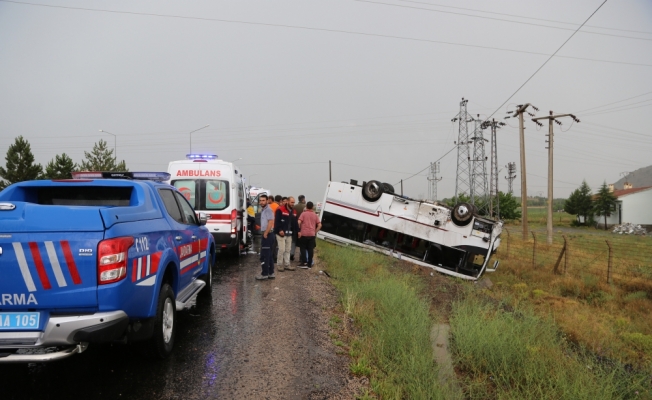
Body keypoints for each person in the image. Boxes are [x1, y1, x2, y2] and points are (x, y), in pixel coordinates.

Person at [275, 196, 298, 271]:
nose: (293, 204)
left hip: (289, 234)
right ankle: (279, 265)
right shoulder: (280, 210)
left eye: (294, 202)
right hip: (281, 233)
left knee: (288, 249)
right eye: (291, 202)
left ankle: (287, 265)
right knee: (281, 249)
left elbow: (295, 223)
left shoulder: (294, 211)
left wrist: (298, 231)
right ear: (287, 201)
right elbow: (277, 221)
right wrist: (279, 230)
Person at [256, 194, 275, 280]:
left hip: (268, 234)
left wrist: (266, 233)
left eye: (263, 200)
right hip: (267, 233)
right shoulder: (263, 210)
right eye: (260, 200)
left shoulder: (268, 210)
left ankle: (264, 274)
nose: (261, 202)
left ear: (267, 201)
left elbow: (270, 222)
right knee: (269, 254)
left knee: (264, 255)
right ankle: (271, 273)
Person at [298, 201, 321, 269]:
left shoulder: (303, 214)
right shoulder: (315, 215)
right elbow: (319, 225)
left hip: (304, 234)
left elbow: (299, 221)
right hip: (312, 234)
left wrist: (299, 229)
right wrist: (315, 231)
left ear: (306, 207)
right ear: (312, 207)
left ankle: (304, 262)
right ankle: (309, 264)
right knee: (310, 249)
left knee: (303, 248)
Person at [291, 195, 306, 262]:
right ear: (303, 199)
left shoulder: (294, 207)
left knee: (293, 241)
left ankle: (291, 254)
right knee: (302, 243)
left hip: (294, 226)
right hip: (302, 227)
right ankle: (301, 257)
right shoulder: (305, 207)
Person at [270, 195, 281, 261]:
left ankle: (270, 256)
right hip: (275, 226)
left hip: (269, 226)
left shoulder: (269, 206)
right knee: (275, 243)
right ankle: (274, 257)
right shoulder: (277, 207)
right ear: (280, 201)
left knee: (271, 242)